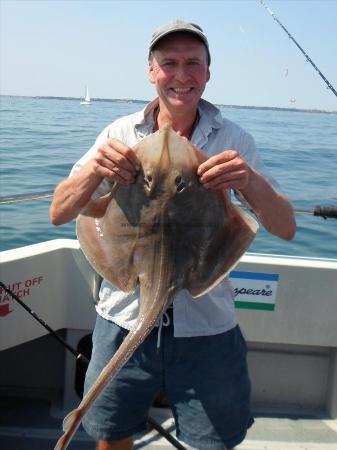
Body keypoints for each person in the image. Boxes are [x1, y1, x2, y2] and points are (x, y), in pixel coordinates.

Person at [50, 19, 296, 450]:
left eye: (192, 64)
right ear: (151, 71)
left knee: (212, 442)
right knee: (112, 434)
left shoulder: (234, 139)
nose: (181, 75)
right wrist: (95, 170)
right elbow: (59, 212)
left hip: (207, 327)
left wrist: (249, 181)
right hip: (124, 317)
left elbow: (286, 227)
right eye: (169, 63)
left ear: (207, 73)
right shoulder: (118, 134)